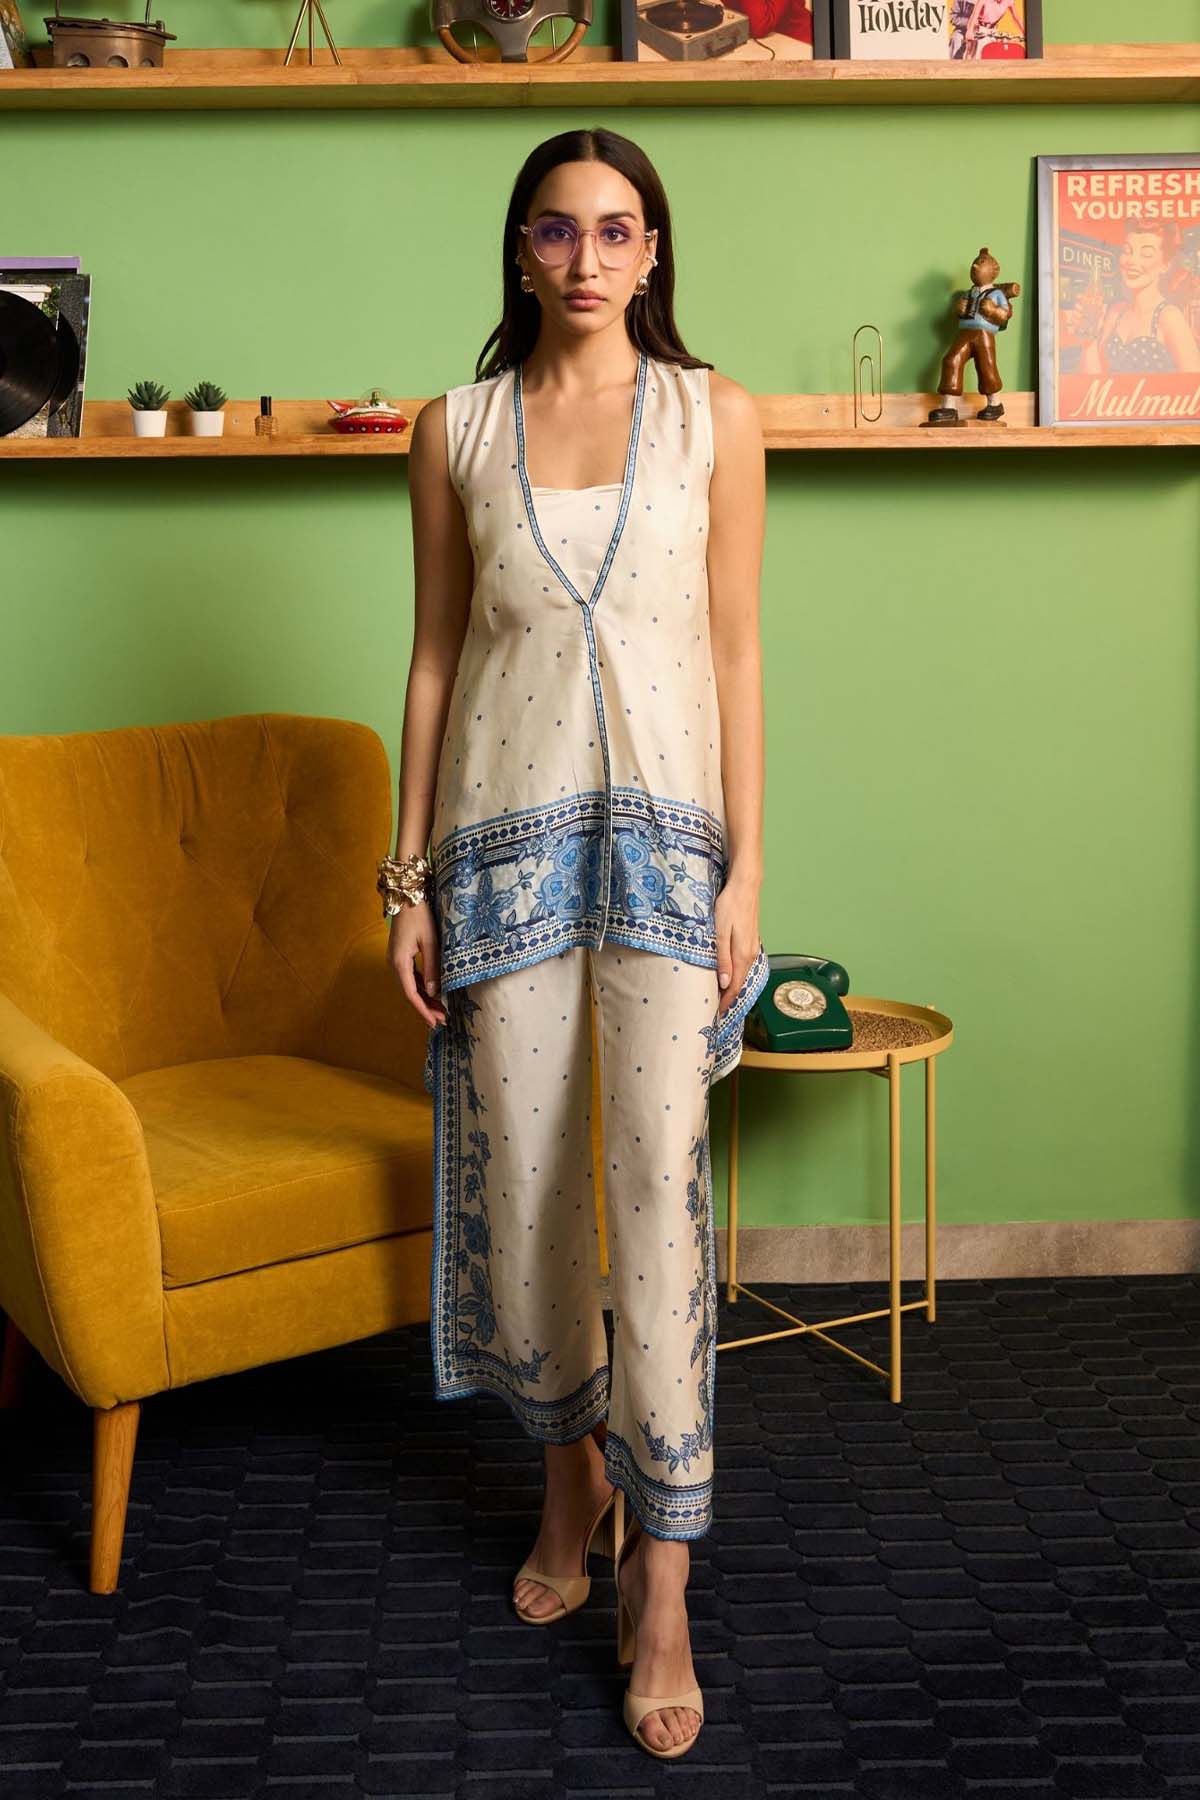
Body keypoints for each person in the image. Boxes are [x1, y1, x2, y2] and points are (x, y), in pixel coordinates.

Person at [386, 128, 769, 1758]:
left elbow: (737, 651)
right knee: (532, 1188)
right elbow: (432, 656)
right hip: (499, 855)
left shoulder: (713, 418)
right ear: (521, 251)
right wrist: (406, 880)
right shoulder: (455, 429)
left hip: (672, 858)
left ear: (654, 250)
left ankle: (662, 1582)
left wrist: (750, 868)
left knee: (658, 1201)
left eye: (618, 230)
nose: (588, 257)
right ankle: (569, 1488)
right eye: (557, 230)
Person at [1071, 216, 1200, 377]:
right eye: (1127, 251)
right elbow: (1094, 380)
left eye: (1146, 254)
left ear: (1165, 265)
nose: (1131, 261)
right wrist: (1088, 340)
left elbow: (1194, 384)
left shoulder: (1169, 317)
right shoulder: (1116, 312)